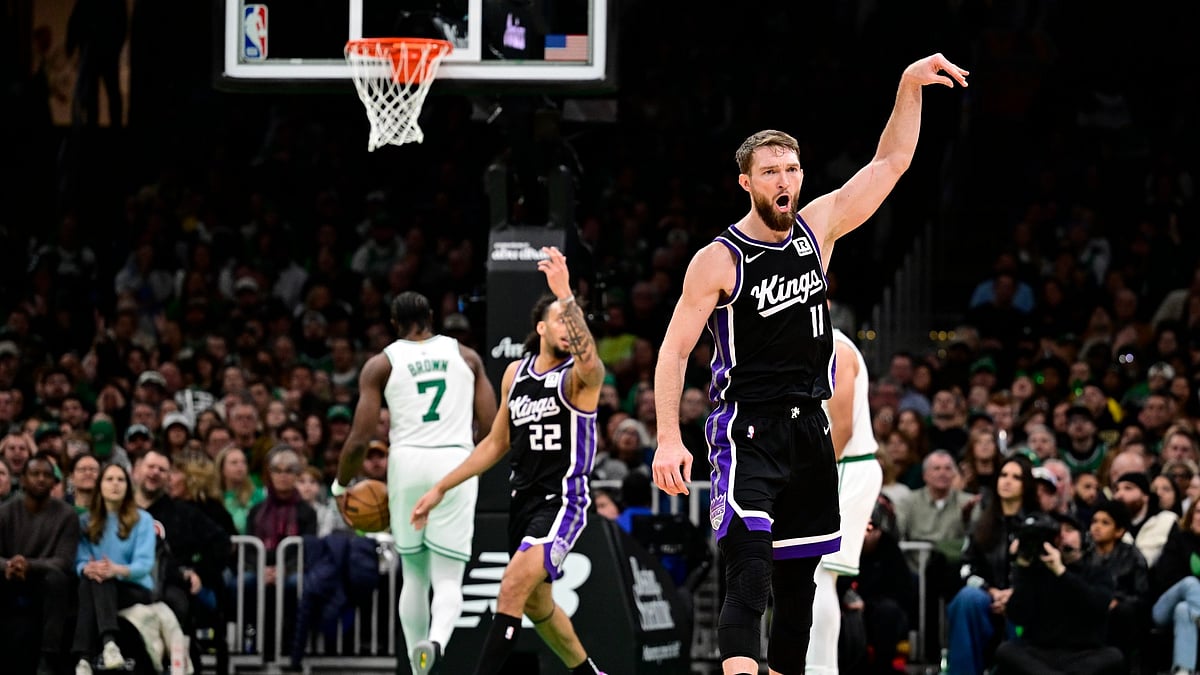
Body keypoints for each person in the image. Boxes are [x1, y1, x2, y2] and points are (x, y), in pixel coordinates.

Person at [650, 53, 969, 675]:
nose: (785, 180)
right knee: (748, 578)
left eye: (792, 169)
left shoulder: (816, 229)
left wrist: (907, 85)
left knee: (801, 596)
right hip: (746, 427)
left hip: (810, 430)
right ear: (745, 180)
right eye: (770, 171)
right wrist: (668, 437)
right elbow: (673, 350)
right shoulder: (718, 258)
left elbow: (891, 162)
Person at [410, 246, 607, 675]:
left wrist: (567, 297)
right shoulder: (515, 374)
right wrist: (442, 486)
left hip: (562, 501)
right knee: (539, 607)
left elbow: (592, 363)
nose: (570, 331)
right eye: (559, 319)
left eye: (573, 323)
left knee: (512, 587)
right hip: (523, 501)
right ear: (540, 327)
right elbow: (496, 443)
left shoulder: (577, 379)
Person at [333, 290, 498, 674]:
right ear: (431, 316)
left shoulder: (381, 363)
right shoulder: (467, 357)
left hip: (405, 462)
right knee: (448, 578)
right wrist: (469, 460)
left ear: (394, 323)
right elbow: (491, 428)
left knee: (415, 574)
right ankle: (436, 641)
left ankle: (415, 664)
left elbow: (359, 438)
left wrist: (340, 488)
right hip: (454, 460)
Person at [806, 328, 884, 674]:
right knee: (812, 572)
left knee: (818, 571)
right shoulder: (812, 344)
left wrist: (809, 478)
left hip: (845, 467)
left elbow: (842, 427)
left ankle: (820, 668)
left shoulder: (835, 348)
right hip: (838, 467)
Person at [992, 512, 1126, 675]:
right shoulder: (1036, 572)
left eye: (1068, 530)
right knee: (1006, 650)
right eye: (1057, 531)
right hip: (1039, 652)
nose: (1062, 535)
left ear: (1083, 537)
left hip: (1083, 653)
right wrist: (1023, 567)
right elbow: (1017, 615)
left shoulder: (1097, 572)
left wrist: (1061, 572)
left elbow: (1098, 605)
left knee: (1114, 656)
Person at [72, 462, 157, 675]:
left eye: (120, 480)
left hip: (134, 587)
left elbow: (144, 564)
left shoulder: (143, 520)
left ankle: (86, 657)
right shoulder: (85, 521)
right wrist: (87, 568)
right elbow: (79, 560)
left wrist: (116, 570)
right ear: (100, 485)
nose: (115, 484)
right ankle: (107, 646)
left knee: (101, 579)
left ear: (128, 486)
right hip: (98, 585)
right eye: (109, 479)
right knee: (92, 579)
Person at [0, 453, 80, 675]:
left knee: (58, 579)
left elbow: (63, 561)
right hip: (9, 578)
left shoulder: (67, 515)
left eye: (47, 475)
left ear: (55, 482)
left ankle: (48, 659)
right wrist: (8, 565)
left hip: (42, 583)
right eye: (35, 474)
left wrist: (29, 565)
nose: (41, 479)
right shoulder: (5, 512)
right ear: (23, 479)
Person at [1151, 499, 1200, 675]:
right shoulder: (1178, 540)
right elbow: (1165, 579)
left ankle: (1183, 670)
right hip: (1164, 607)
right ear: (1191, 514)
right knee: (1190, 583)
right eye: (1198, 512)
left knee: (1184, 609)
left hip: (1187, 610)